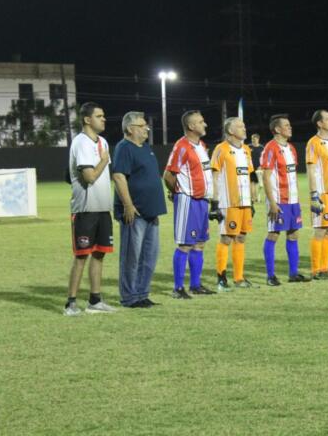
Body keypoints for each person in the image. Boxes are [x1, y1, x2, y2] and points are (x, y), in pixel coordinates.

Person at [64, 102, 116, 315]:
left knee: (99, 255)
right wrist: (104, 160)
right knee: (81, 256)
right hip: (85, 210)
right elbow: (90, 176)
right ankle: (71, 304)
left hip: (103, 208)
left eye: (103, 115)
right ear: (87, 119)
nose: (104, 119)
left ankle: (95, 301)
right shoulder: (81, 143)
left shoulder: (102, 141)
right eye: (99, 115)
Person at [112, 111, 166, 308]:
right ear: (130, 129)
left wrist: (155, 208)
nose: (146, 129)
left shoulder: (145, 148)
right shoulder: (124, 148)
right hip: (134, 212)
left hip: (151, 212)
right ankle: (129, 297)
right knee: (131, 257)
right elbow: (119, 176)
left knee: (149, 256)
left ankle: (142, 294)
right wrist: (128, 205)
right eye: (142, 126)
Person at [164, 110, 218, 299]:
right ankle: (178, 288)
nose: (205, 125)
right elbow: (169, 174)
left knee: (200, 244)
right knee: (185, 244)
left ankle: (195, 285)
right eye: (201, 122)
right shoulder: (182, 146)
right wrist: (178, 191)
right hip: (188, 200)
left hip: (202, 200)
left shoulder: (201, 145)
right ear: (191, 126)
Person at [261, 114, 310, 286]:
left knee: (294, 234)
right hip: (278, 200)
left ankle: (293, 273)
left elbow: (293, 175)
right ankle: (270, 276)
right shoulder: (270, 148)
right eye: (287, 125)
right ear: (277, 129)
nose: (290, 128)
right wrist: (272, 202)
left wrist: (298, 199)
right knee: (274, 234)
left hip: (293, 200)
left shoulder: (291, 148)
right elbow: (266, 177)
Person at [211, 117, 257, 291]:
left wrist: (251, 201)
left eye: (244, 125)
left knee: (241, 237)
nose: (244, 128)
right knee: (226, 238)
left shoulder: (246, 150)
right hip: (228, 202)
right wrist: (215, 202)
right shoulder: (220, 149)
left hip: (245, 202)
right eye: (240, 126)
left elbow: (249, 176)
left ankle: (239, 278)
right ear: (230, 131)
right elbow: (214, 177)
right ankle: (221, 279)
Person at [305, 110, 328, 280]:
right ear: (319, 124)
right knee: (320, 230)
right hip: (322, 193)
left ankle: (325, 268)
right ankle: (315, 270)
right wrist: (314, 194)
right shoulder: (314, 143)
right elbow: (311, 170)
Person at [250, 133, 264, 203]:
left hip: (259, 169)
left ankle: (258, 198)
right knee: (252, 183)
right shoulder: (248, 147)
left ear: (258, 139)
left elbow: (264, 158)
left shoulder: (261, 148)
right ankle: (253, 198)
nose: (253, 140)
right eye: (252, 139)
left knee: (260, 184)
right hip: (251, 168)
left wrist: (261, 166)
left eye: (255, 139)